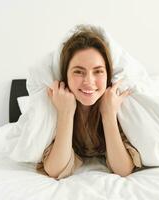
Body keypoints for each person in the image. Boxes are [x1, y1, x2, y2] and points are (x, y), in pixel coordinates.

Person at [36, 25, 142, 179]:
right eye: (78, 71)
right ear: (65, 76)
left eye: (98, 71)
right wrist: (65, 112)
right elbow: (55, 170)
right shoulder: (57, 102)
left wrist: (108, 114)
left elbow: (123, 170)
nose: (89, 81)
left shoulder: (115, 102)